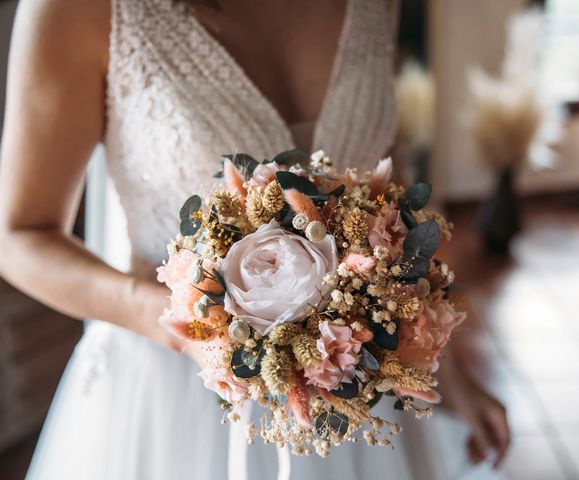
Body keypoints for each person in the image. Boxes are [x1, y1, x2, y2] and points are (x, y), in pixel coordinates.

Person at [0, 0, 509, 478]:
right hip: (169, 396)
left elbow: (383, 196)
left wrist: (443, 374)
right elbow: (18, 235)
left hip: (349, 385)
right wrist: (183, 329)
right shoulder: (79, 11)